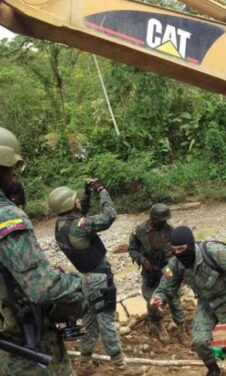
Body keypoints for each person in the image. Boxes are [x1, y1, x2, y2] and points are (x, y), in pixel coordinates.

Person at [0, 127, 87, 375]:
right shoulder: (6, 216)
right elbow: (42, 287)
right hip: (24, 348)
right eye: (11, 168)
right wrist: (81, 285)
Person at [150, 226, 226, 376]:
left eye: (181, 249)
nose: (178, 253)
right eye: (174, 250)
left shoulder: (213, 252)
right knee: (199, 341)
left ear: (190, 244)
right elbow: (166, 287)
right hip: (207, 305)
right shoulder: (176, 264)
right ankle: (213, 369)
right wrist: (158, 298)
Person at [48, 181, 138, 375]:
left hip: (84, 277)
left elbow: (79, 214)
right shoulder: (79, 227)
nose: (78, 200)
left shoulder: (61, 225)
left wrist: (87, 194)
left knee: (89, 321)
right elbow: (109, 216)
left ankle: (85, 362)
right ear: (69, 205)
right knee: (106, 320)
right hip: (99, 278)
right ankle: (120, 366)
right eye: (75, 200)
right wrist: (102, 192)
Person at [128, 203, 185, 343]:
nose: (164, 223)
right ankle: (159, 326)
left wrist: (171, 266)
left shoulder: (171, 231)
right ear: (153, 219)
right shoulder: (139, 231)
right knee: (152, 301)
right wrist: (143, 261)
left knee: (175, 300)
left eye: (166, 220)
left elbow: (177, 251)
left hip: (167, 271)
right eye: (161, 221)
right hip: (150, 274)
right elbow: (132, 249)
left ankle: (181, 329)